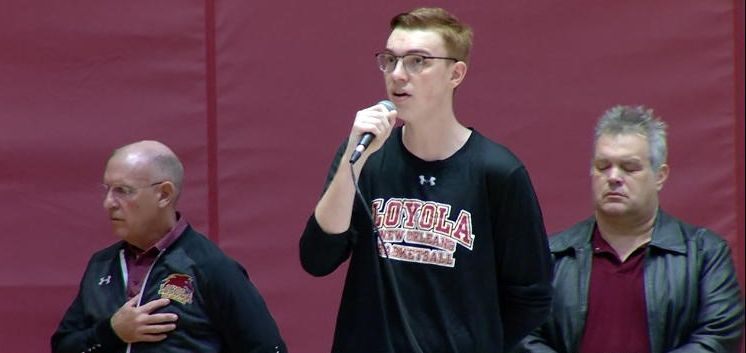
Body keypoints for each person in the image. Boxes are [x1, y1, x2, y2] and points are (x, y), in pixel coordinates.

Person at [298, 7, 553, 353]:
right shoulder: (365, 156)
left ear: (455, 74)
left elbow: (532, 297)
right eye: (390, 60)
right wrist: (350, 164)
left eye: (417, 61)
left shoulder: (498, 172)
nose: (398, 74)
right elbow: (316, 259)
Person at [520, 106, 745, 353]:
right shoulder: (551, 255)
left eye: (629, 167)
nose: (613, 177)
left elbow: (718, 339)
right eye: (603, 166)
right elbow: (522, 334)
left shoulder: (704, 254)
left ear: (660, 176)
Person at [51, 140, 287, 353]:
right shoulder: (101, 265)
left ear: (164, 194)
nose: (108, 203)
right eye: (107, 190)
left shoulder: (211, 267)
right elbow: (63, 346)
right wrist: (112, 332)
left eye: (123, 191)